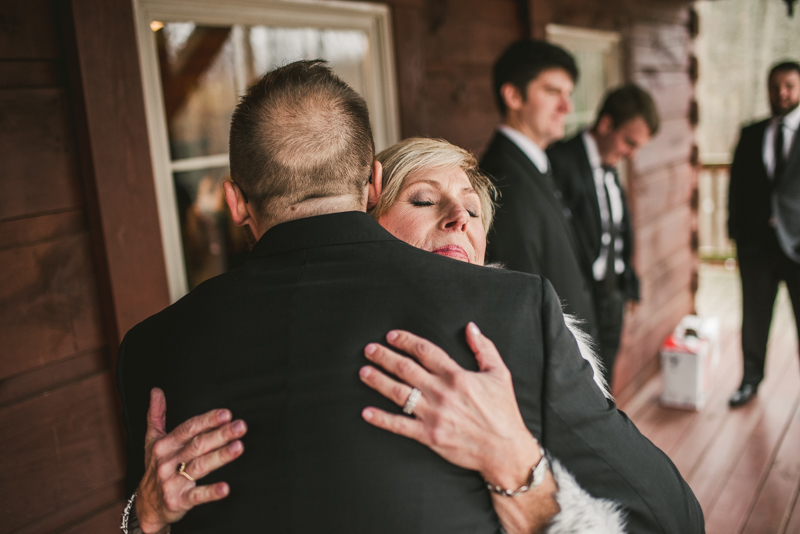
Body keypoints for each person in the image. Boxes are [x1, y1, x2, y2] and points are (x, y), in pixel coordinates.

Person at [117, 60, 703, 533]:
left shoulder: (150, 350)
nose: (457, 221)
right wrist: (144, 518)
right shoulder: (508, 317)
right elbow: (672, 515)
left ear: (235, 202)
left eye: (473, 210)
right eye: (423, 200)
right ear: (372, 189)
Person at [481, 40, 598, 342]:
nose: (567, 107)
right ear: (514, 95)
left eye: (568, 94)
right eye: (552, 92)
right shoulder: (501, 179)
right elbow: (522, 300)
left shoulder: (537, 164)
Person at [547, 85, 658, 387]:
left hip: (613, 296)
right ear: (606, 124)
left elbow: (618, 231)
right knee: (581, 384)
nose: (631, 155)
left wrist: (628, 285)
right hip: (579, 297)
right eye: (629, 142)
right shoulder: (559, 161)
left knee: (606, 380)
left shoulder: (609, 166)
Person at [728, 61, 800, 407]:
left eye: (788, 86)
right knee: (754, 318)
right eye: (775, 86)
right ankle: (750, 381)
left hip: (798, 246)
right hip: (757, 247)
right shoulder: (751, 133)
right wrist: (736, 235)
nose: (781, 93)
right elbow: (736, 187)